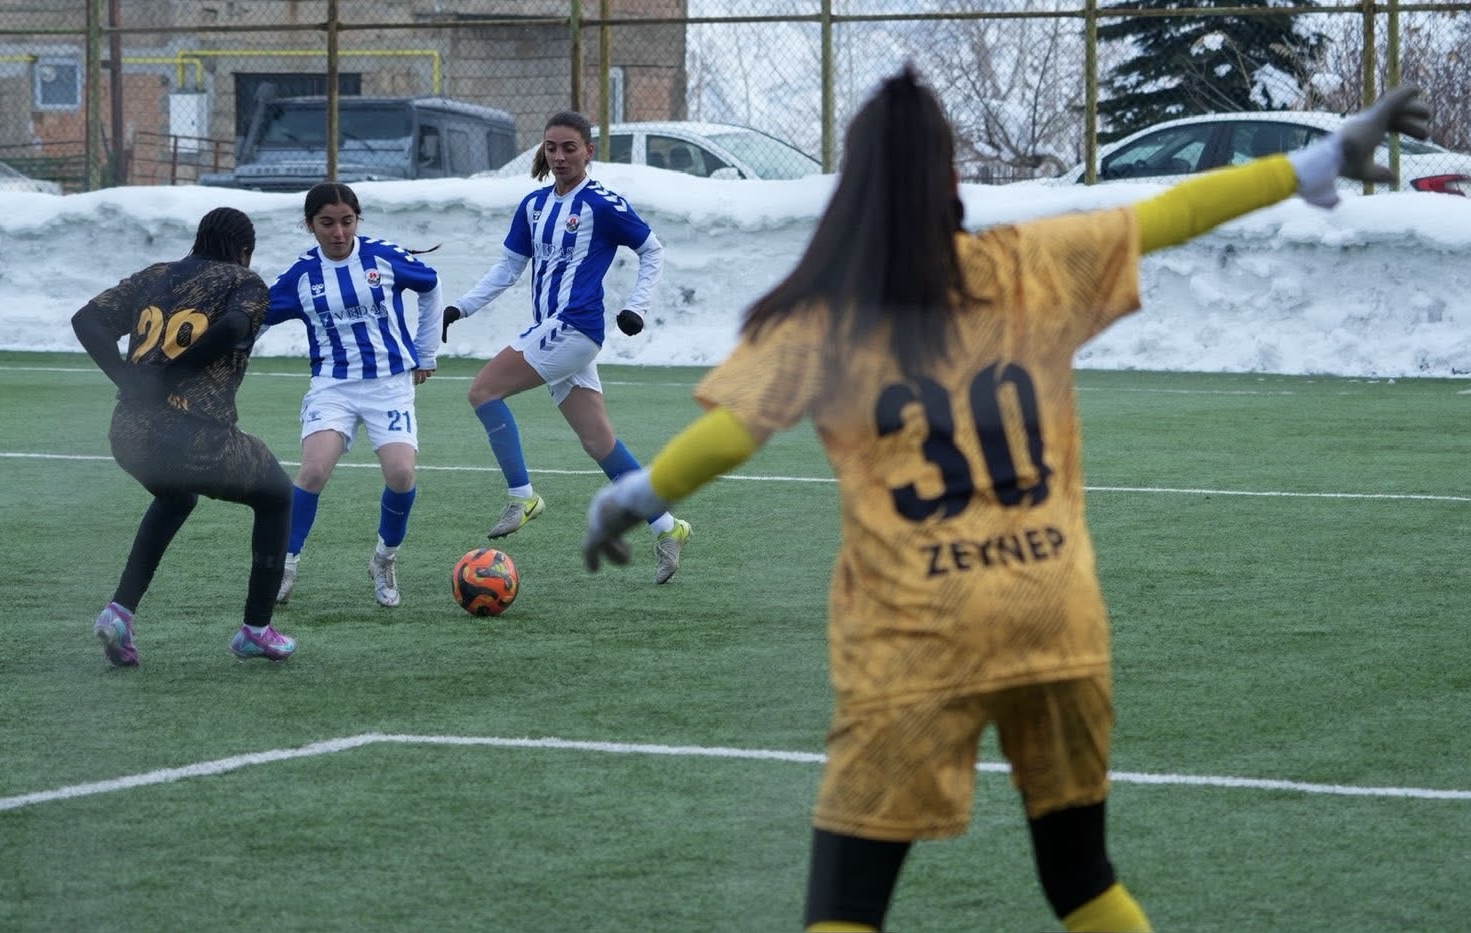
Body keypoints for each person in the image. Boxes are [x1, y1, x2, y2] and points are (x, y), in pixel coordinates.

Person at [582, 68, 1430, 932]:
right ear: (951, 179)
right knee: (1081, 879)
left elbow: (734, 432)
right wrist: (1312, 161)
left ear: (856, 189)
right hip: (1052, 614)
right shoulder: (1032, 262)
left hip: (916, 631)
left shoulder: (826, 314)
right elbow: (1168, 215)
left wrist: (630, 497)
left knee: (845, 907)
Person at [442, 109, 692, 584]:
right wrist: (463, 307)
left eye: (569, 148)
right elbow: (508, 269)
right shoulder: (534, 206)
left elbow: (652, 250)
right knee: (599, 442)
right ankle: (668, 526)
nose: (559, 156)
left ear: (589, 152)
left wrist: (636, 307)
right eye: (551, 147)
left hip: (574, 328)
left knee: (483, 391)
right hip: (552, 331)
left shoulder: (601, 203)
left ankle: (522, 496)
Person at [71, 207, 298, 666]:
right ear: (244, 251)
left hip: (128, 432)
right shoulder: (244, 281)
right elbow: (234, 326)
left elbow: (85, 319)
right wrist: (169, 377)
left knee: (176, 498)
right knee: (277, 495)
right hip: (190, 434)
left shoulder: (156, 275)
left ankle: (119, 614)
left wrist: (126, 376)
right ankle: (256, 629)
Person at [264, 183, 443, 608]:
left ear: (357, 220)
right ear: (310, 225)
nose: (339, 232)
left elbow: (431, 286)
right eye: (327, 224)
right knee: (313, 471)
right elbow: (257, 318)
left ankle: (383, 560)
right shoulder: (301, 276)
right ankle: (284, 566)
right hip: (333, 385)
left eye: (347, 222)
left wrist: (426, 351)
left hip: (389, 384)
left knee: (401, 475)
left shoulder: (383, 257)